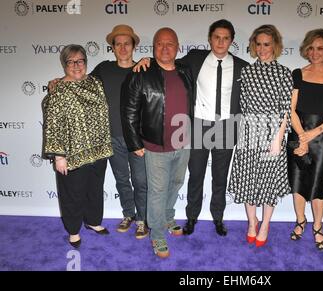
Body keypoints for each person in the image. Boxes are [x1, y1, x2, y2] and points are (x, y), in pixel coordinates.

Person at [134, 19, 248, 236]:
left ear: (232, 41)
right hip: (199, 127)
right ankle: (192, 217)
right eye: (216, 37)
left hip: (226, 127)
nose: (220, 42)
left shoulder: (242, 66)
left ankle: (218, 218)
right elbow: (166, 60)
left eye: (225, 38)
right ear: (210, 39)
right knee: (195, 176)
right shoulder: (194, 59)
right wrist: (146, 60)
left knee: (220, 178)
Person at [48, 25, 149, 239]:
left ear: (134, 46)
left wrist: (150, 60)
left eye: (127, 43)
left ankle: (142, 220)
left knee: (140, 181)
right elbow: (75, 80)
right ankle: (128, 215)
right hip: (109, 140)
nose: (122, 47)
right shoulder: (102, 70)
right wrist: (56, 81)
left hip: (134, 140)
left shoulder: (144, 69)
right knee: (121, 180)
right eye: (118, 43)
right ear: (112, 47)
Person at [121, 27, 194, 258]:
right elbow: (129, 111)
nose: (165, 48)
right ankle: (158, 235)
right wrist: (135, 143)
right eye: (159, 44)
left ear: (178, 47)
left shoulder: (185, 70)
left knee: (176, 183)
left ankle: (168, 216)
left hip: (183, 143)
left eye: (170, 43)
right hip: (155, 145)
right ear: (153, 48)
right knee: (157, 191)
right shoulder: (141, 72)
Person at [228, 24, 293, 247]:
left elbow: (286, 109)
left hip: (273, 134)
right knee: (248, 181)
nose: (263, 49)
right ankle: (251, 223)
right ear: (253, 46)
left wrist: (278, 138)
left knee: (268, 183)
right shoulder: (246, 71)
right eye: (259, 44)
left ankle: (265, 224)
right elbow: (243, 106)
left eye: (267, 44)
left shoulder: (284, 73)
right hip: (248, 132)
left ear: (275, 45)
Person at [42, 44, 113, 248]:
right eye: (71, 61)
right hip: (72, 154)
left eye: (80, 60)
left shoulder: (95, 83)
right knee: (73, 193)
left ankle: (93, 221)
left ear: (86, 62)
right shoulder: (58, 90)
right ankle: (73, 230)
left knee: (94, 189)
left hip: (98, 149)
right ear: (64, 65)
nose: (76, 65)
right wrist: (58, 156)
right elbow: (53, 124)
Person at [287, 29, 323, 250]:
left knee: (319, 182)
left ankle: (318, 226)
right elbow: (290, 110)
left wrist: (314, 133)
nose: (314, 52)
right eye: (311, 48)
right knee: (298, 180)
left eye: (319, 48)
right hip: (297, 133)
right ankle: (300, 221)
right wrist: (302, 137)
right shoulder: (297, 74)